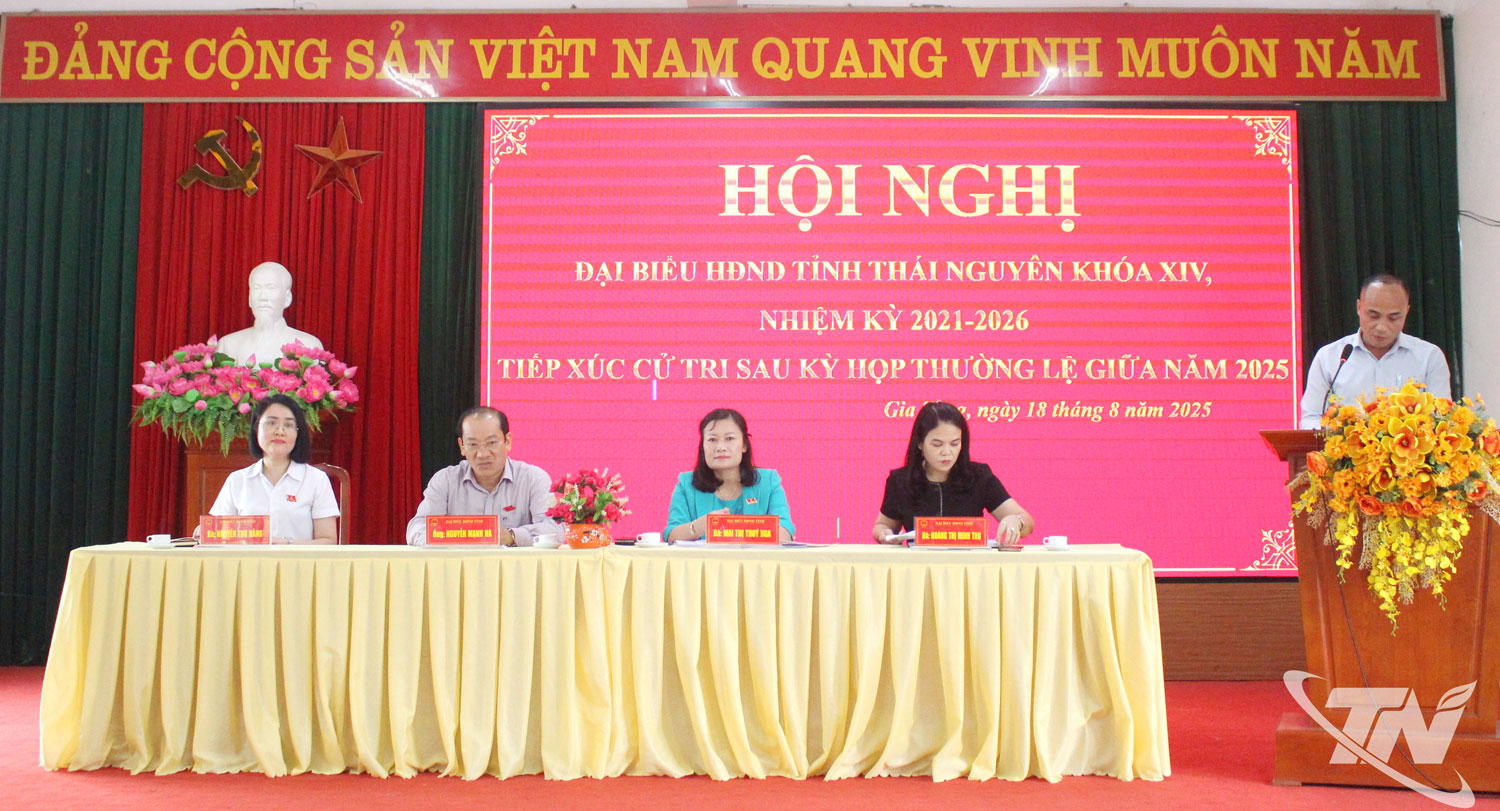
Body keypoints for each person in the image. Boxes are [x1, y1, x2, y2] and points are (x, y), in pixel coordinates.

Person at [1299, 274, 1452, 429]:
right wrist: (1337, 435)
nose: (1381, 327)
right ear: (1359, 308)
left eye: (1393, 318)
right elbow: (1310, 418)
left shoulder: (1429, 357)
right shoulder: (1329, 357)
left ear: (1406, 311)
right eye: (1373, 316)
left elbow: (1442, 418)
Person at [872, 401, 1033, 546]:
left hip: (969, 566)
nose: (947, 452)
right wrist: (884, 534)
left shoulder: (979, 477)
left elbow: (1028, 523)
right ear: (920, 443)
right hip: (918, 566)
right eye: (937, 444)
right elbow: (882, 525)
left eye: (955, 444)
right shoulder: (901, 481)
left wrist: (1017, 521)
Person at [406, 406, 559, 546]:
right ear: (462, 446)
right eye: (473, 444)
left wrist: (511, 536)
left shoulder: (533, 478)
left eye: (491, 443)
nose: (482, 454)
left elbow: (555, 529)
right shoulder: (445, 480)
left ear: (507, 441)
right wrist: (454, 537)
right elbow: (416, 527)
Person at [202, 393, 340, 544]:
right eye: (271, 423)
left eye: (288, 425)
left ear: (298, 433)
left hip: (296, 559)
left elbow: (328, 541)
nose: (279, 431)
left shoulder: (316, 479)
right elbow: (219, 536)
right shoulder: (237, 480)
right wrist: (205, 533)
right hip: (249, 559)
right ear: (256, 429)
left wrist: (285, 544)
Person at [665, 408, 794, 542]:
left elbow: (785, 533)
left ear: (744, 445)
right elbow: (671, 536)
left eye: (729, 438)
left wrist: (735, 529)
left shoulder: (768, 481)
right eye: (712, 439)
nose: (720, 447)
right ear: (703, 446)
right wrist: (699, 526)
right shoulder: (686, 484)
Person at [218, 261, 325, 366]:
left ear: (287, 297)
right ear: (250, 298)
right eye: (257, 288)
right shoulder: (227, 345)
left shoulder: (309, 346)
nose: (263, 297)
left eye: (271, 288)